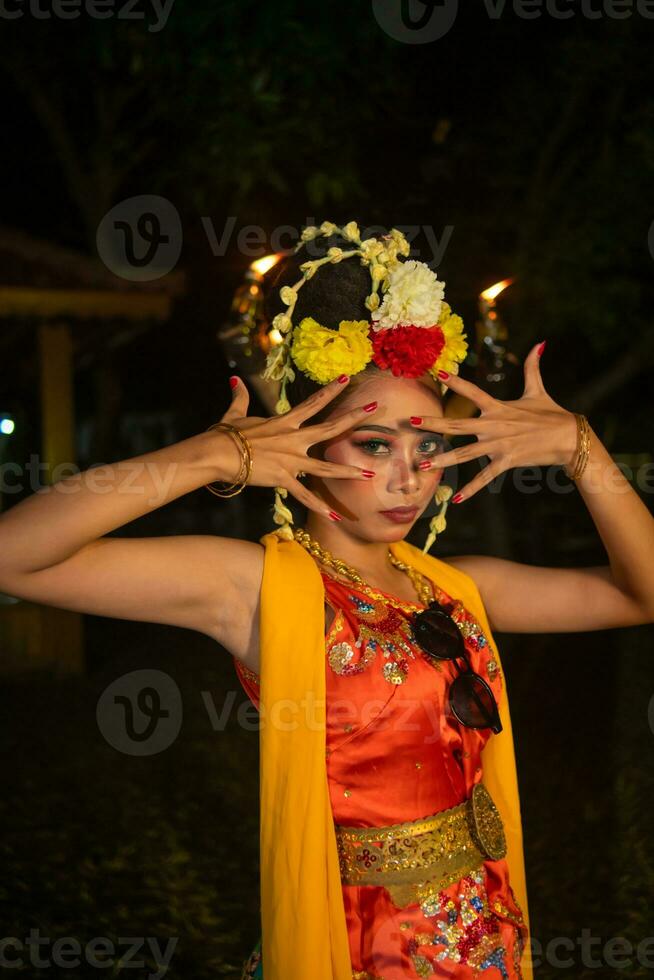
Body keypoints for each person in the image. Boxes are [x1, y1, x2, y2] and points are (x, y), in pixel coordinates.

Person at [1, 222, 653, 980]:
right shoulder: (261, 588)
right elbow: (15, 557)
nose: (409, 478)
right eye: (374, 446)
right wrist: (214, 455)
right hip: (364, 950)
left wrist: (583, 449)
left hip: (489, 938)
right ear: (311, 443)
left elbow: (642, 593)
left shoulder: (457, 588)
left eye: (428, 448)